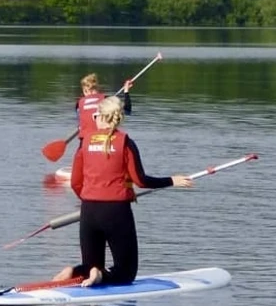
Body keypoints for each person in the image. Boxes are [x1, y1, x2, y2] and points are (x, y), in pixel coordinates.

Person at [53, 96, 192, 287]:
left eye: (95, 116)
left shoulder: (84, 143)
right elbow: (141, 181)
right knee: (126, 271)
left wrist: (91, 200)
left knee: (91, 265)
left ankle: (75, 272)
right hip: (116, 212)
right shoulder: (125, 143)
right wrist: (172, 181)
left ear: (101, 117)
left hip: (89, 211)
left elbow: (76, 182)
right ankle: (98, 276)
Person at [76, 73, 132, 140]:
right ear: (97, 88)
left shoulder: (79, 104)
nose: (89, 94)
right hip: (103, 138)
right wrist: (126, 90)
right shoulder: (106, 100)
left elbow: (80, 121)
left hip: (85, 140)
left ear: (84, 91)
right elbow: (127, 110)